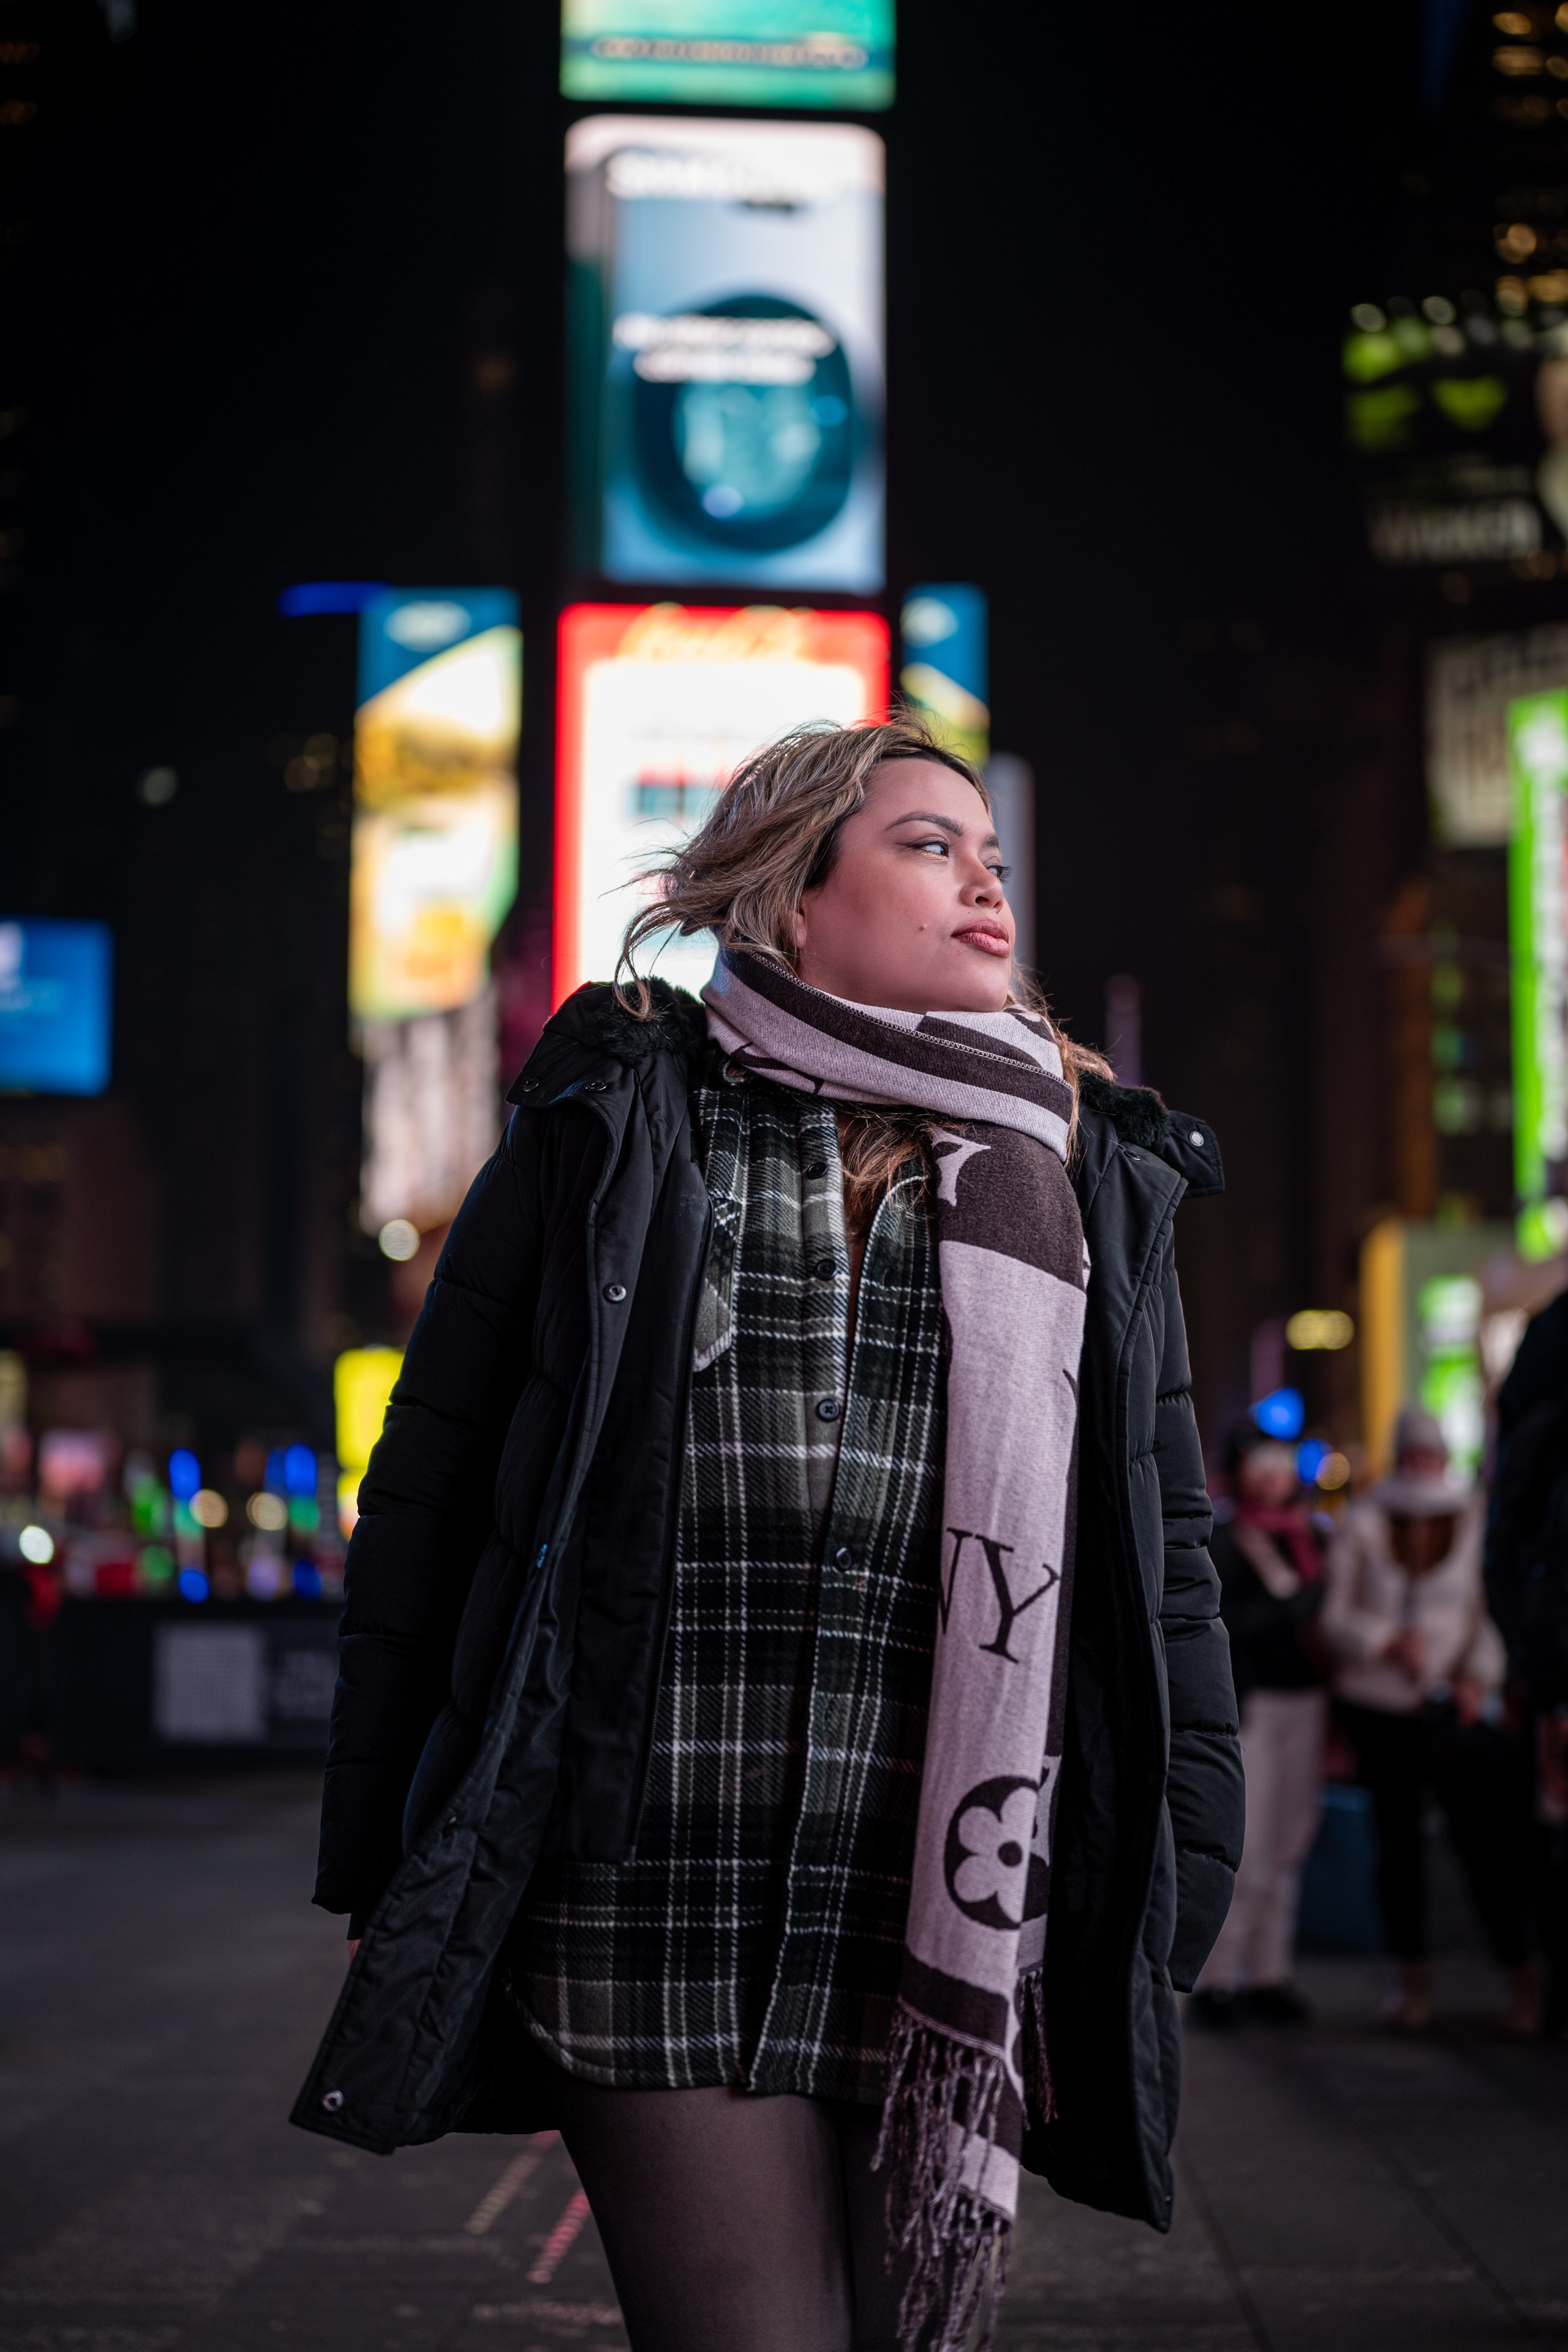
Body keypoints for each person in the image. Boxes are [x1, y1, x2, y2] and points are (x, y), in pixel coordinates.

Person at [292, 717, 1243, 2352]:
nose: (987, 886)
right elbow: (432, 1497)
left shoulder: (1079, 1171)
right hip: (660, 1875)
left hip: (946, 1887)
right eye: (929, 847)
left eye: (991, 855)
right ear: (796, 894)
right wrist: (388, 1842)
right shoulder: (620, 1119)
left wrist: (1186, 1866)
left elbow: (1160, 1555)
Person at [1325, 1405, 1536, 2034]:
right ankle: (1408, 1980)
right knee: (1397, 1849)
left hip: (1451, 1706)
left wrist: (1477, 1677)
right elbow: (1335, 1619)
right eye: (1412, 1454)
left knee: (1482, 1843)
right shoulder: (1365, 1520)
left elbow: (1485, 1611)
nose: (1422, 1466)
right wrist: (1384, 1641)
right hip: (1381, 1706)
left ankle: (1517, 1975)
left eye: (1431, 1455)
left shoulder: (1471, 1518)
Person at [1188, 1424, 1326, 2027]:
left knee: (1291, 1840)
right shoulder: (1225, 1537)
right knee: (1247, 1842)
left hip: (1308, 1702)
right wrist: (1286, 1611)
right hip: (1254, 1705)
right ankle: (1219, 1978)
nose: (1274, 1472)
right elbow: (1221, 1621)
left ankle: (1270, 1972)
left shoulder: (1309, 1535)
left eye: (1282, 1460)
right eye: (1261, 1461)